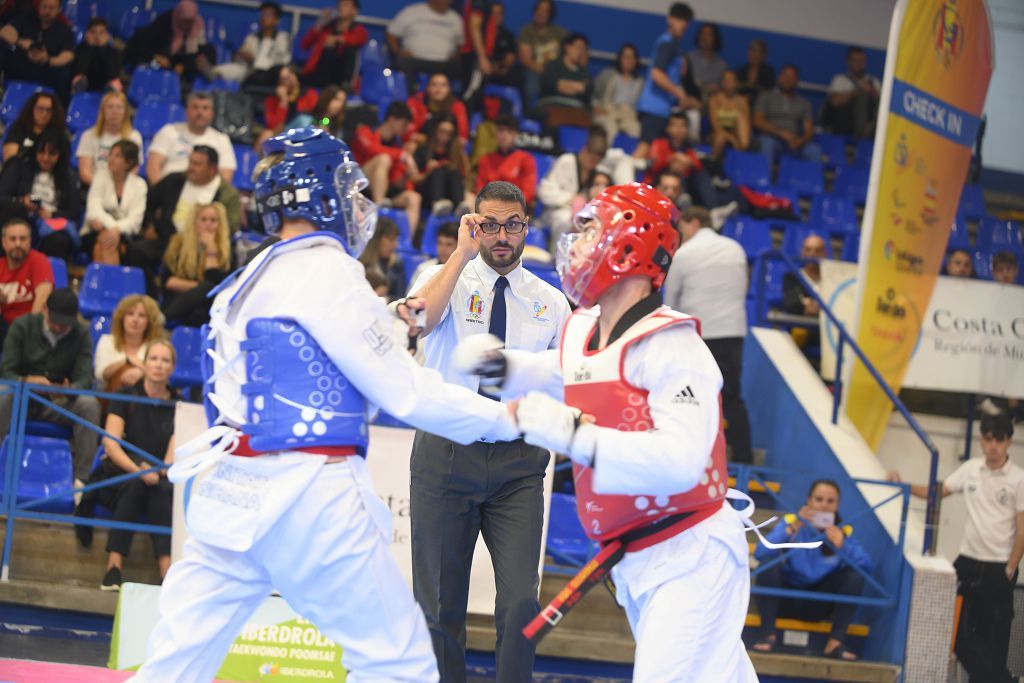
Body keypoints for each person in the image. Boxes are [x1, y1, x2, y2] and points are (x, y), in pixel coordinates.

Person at [124, 125, 521, 683]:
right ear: (321, 193)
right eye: (348, 188)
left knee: (175, 663)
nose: (357, 203)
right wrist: (509, 418)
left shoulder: (251, 276)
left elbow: (319, 342)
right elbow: (407, 391)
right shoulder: (330, 270)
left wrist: (395, 320)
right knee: (398, 662)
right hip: (309, 496)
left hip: (230, 495)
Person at [456, 183, 765, 682]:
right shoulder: (585, 328)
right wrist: (501, 365)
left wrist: (571, 433)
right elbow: (557, 371)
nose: (576, 245)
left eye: (591, 230)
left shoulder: (674, 345)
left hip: (692, 551)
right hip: (636, 555)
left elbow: (682, 459)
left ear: (630, 244)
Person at [403, 180, 570, 683]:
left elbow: (564, 384)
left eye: (512, 224)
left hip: (519, 465)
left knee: (522, 604)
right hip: (444, 457)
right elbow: (416, 322)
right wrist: (460, 254)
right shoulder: (440, 277)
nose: (502, 235)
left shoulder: (553, 303)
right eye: (489, 224)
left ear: (526, 228)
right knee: (437, 606)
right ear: (473, 225)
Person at [889, 412, 1023, 683]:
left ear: (1009, 442)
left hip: (999, 564)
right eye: (987, 440)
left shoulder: (1019, 479)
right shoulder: (971, 468)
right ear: (981, 441)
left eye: (999, 440)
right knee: (955, 632)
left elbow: (1023, 528)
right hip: (968, 560)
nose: (992, 446)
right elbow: (937, 492)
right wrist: (901, 484)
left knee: (993, 636)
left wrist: (1010, 567)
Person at [83, 341, 180, 591]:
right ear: (145, 364)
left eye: (165, 360)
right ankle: (159, 569)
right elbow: (111, 446)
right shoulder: (124, 396)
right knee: (138, 486)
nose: (159, 365)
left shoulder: (179, 405)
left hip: (158, 480)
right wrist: (140, 471)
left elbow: (173, 454)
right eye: (154, 359)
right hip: (118, 477)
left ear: (173, 368)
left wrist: (159, 469)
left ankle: (118, 568)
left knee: (155, 488)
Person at [664, 205, 752, 463]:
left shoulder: (684, 254)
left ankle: (697, 456)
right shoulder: (736, 248)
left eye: (682, 228)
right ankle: (745, 458)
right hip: (733, 331)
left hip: (699, 334)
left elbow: (670, 301)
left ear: (692, 223)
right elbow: (742, 289)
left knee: (693, 396)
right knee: (732, 398)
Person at [752, 479, 874, 660]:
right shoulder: (792, 523)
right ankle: (768, 634)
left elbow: (867, 568)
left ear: (837, 505)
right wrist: (792, 529)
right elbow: (760, 553)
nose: (824, 505)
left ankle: (835, 642)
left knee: (854, 576)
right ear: (809, 500)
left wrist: (842, 546)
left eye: (830, 501)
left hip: (818, 604)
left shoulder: (843, 532)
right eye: (819, 499)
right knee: (768, 564)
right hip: (787, 599)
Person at [0, 288, 100, 483]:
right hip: (21, 399)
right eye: (55, 321)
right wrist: (27, 381)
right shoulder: (23, 325)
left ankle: (81, 482)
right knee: (2, 394)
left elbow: (85, 378)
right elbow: (6, 371)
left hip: (58, 402)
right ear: (44, 309)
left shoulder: (81, 334)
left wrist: (68, 388)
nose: (59, 327)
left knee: (89, 404)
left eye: (65, 323)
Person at [129, 146, 241, 296]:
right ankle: (149, 296)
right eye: (190, 162)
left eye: (197, 164)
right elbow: (149, 203)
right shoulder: (174, 180)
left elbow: (229, 227)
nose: (191, 168)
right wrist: (149, 225)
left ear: (213, 168)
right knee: (136, 251)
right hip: (167, 239)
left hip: (201, 248)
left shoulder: (228, 194)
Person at [0, 129, 81, 262]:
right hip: (22, 218)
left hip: (50, 225)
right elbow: (3, 198)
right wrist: (22, 201)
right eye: (41, 152)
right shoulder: (20, 166)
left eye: (51, 154)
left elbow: (73, 211)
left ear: (60, 155)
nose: (45, 158)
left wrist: (52, 214)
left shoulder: (68, 176)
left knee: (60, 241)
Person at [351, 101, 423, 237]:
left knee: (414, 197)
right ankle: (380, 211)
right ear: (392, 119)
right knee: (384, 159)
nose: (406, 129)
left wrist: (406, 176)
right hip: (361, 186)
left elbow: (395, 181)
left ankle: (405, 245)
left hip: (385, 191)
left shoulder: (398, 145)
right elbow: (371, 149)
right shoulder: (365, 131)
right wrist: (402, 155)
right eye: (404, 124)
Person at [161, 202, 235, 327]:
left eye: (213, 220)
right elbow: (168, 281)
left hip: (210, 304)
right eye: (203, 219)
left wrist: (211, 250)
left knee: (201, 308)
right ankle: (166, 316)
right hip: (177, 299)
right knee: (198, 308)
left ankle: (163, 317)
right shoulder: (178, 243)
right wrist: (200, 288)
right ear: (194, 222)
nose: (208, 224)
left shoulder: (227, 250)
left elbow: (219, 286)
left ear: (220, 224)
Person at [636, 3, 698, 148]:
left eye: (686, 21)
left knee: (656, 152)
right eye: (680, 19)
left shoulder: (675, 46)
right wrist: (678, 92)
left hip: (662, 109)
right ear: (670, 19)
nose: (684, 24)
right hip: (654, 108)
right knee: (645, 148)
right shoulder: (667, 43)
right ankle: (623, 169)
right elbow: (656, 74)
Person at [146, 91, 237, 186]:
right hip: (169, 190)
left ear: (212, 113)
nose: (200, 112)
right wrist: (160, 193)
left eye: (205, 108)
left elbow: (226, 175)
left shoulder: (222, 140)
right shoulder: (169, 131)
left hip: (205, 195)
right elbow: (153, 165)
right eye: (195, 107)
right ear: (186, 110)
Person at [537, 126, 608, 247]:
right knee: (565, 220)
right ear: (584, 150)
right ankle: (558, 262)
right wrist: (571, 198)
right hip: (553, 213)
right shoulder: (567, 161)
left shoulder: (597, 174)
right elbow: (544, 192)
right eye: (591, 159)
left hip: (581, 215)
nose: (593, 164)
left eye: (596, 162)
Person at [83, 139, 148, 265]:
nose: (111, 158)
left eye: (117, 156)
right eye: (111, 154)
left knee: (105, 243)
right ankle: (112, 283)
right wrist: (112, 229)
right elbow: (93, 210)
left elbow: (135, 221)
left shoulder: (140, 185)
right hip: (95, 230)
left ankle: (103, 283)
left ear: (129, 162)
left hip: (125, 235)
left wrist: (116, 231)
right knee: (106, 241)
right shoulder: (100, 177)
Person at [122, 0, 215, 85]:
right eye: (185, 20)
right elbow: (144, 43)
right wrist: (156, 56)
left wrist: (184, 66)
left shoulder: (196, 26)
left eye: (190, 21)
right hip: (154, 59)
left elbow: (197, 53)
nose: (187, 24)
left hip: (178, 68)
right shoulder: (165, 22)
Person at [0, 0, 75, 102]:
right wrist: (21, 42)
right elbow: (4, 32)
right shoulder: (26, 19)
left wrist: (47, 59)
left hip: (47, 72)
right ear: (39, 7)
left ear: (58, 10)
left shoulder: (65, 30)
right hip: (21, 68)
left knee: (64, 72)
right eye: (44, 7)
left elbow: (68, 56)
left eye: (51, 8)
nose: (47, 11)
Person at [644, 112, 719, 208]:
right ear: (668, 128)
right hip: (658, 183)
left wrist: (688, 163)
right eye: (675, 125)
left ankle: (713, 210)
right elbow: (653, 165)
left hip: (681, 184)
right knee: (675, 171)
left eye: (683, 126)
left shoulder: (689, 149)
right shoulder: (659, 143)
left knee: (700, 174)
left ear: (687, 129)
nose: (679, 129)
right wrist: (673, 158)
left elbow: (698, 166)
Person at [387, 0, 464, 92]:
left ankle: (444, 103)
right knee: (402, 63)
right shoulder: (412, 12)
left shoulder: (455, 18)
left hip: (443, 63)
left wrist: (455, 56)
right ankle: (409, 101)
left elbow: (460, 44)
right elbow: (391, 33)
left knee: (458, 67)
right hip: (414, 59)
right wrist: (398, 51)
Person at [93, 294, 165, 392]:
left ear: (149, 322)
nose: (135, 320)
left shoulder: (156, 347)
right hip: (109, 395)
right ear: (122, 318)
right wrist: (127, 362)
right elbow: (100, 374)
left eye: (142, 315)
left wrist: (141, 371)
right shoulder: (107, 341)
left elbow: (162, 376)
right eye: (130, 314)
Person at [753, 64, 821, 166]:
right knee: (766, 144)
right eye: (785, 76)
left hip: (795, 143)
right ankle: (764, 180)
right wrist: (781, 133)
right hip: (772, 139)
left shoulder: (804, 103)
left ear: (797, 81)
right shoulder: (766, 96)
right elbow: (757, 121)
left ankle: (811, 181)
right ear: (779, 78)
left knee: (814, 150)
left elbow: (809, 130)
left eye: (791, 77)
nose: (787, 80)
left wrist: (800, 141)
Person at [0, 218, 54, 344]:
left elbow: (42, 299)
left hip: (31, 330)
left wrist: (28, 333)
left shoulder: (38, 261)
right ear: (4, 242)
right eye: (13, 239)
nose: (18, 244)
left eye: (23, 239)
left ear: (30, 241)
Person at [75, 91, 144, 188]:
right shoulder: (88, 135)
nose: (114, 111)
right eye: (110, 107)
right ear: (102, 111)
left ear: (125, 112)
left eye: (119, 107)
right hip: (95, 187)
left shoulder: (134, 136)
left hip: (123, 188)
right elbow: (85, 172)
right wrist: (102, 188)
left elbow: (134, 169)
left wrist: (118, 188)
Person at [220, 1, 292, 89]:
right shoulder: (251, 37)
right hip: (251, 72)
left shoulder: (283, 38)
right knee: (235, 69)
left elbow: (281, 61)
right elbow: (241, 58)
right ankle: (213, 72)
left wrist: (255, 60)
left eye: (268, 15)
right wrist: (242, 57)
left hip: (272, 75)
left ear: (276, 20)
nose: (263, 17)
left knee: (278, 72)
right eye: (263, 14)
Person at [299, 0, 367, 90]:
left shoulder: (358, 30)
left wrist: (337, 39)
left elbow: (360, 38)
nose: (340, 7)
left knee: (350, 49)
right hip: (318, 71)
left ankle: (344, 86)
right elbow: (304, 45)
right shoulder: (327, 27)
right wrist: (319, 24)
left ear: (355, 10)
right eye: (339, 4)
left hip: (338, 76)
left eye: (345, 5)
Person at [459, 0, 518, 106]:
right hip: (474, 56)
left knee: (476, 96)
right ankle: (463, 121)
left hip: (478, 56)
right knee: (470, 96)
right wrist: (482, 58)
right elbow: (474, 26)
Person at [412, 116, 471, 216]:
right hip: (428, 193)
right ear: (435, 131)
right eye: (442, 132)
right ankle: (438, 202)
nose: (444, 137)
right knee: (438, 170)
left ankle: (459, 205)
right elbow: (413, 180)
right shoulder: (423, 150)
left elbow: (465, 178)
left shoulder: (457, 153)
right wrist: (427, 171)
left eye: (448, 134)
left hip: (451, 194)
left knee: (453, 170)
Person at [475, 115, 537, 209]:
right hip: (490, 209)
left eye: (509, 131)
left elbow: (528, 192)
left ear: (515, 134)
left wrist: (508, 206)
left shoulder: (526, 159)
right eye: (500, 130)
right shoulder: (486, 159)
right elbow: (481, 189)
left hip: (516, 209)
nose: (504, 135)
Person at [517, 0, 567, 109]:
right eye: (539, 9)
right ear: (534, 11)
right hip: (534, 70)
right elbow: (525, 60)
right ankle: (530, 115)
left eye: (546, 11)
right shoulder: (527, 31)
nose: (541, 13)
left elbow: (568, 55)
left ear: (551, 14)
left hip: (556, 72)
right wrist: (545, 70)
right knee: (532, 87)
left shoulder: (560, 33)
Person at [535, 32, 592, 125]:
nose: (581, 52)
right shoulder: (553, 65)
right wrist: (577, 87)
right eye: (578, 47)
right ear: (567, 47)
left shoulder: (584, 72)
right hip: (551, 105)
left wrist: (563, 84)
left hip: (576, 109)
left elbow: (587, 90)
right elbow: (552, 84)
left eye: (583, 49)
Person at [824, 47, 880, 140]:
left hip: (870, 125)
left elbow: (883, 105)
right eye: (855, 61)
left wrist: (872, 91)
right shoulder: (840, 80)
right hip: (845, 123)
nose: (859, 64)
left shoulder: (873, 81)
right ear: (848, 62)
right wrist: (857, 91)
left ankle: (864, 136)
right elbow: (835, 102)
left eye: (861, 61)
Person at [593, 43, 643, 141]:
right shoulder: (607, 75)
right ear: (620, 58)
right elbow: (594, 92)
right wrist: (596, 106)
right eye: (625, 56)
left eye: (631, 57)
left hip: (628, 113)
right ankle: (607, 155)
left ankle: (629, 156)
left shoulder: (640, 82)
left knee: (636, 129)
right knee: (610, 128)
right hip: (608, 110)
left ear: (636, 60)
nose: (628, 60)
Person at [1, 91, 67, 162]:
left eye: (48, 110)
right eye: (40, 109)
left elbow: (62, 162)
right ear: (32, 109)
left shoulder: (58, 134)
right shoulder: (17, 129)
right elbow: (10, 161)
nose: (44, 114)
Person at [406, 73, 470, 145]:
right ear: (427, 88)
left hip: (448, 145)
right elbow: (407, 133)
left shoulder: (457, 106)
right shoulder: (416, 102)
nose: (439, 89)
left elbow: (463, 136)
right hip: (423, 144)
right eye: (434, 85)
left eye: (443, 85)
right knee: (411, 145)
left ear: (449, 89)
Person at [262, 64, 319, 136]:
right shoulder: (272, 101)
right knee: (267, 134)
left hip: (306, 131)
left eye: (290, 73)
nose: (291, 78)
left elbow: (318, 117)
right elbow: (273, 127)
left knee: (304, 120)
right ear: (278, 84)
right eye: (285, 78)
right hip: (284, 133)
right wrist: (283, 101)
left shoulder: (309, 94)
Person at [72, 17, 122, 93]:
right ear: (87, 34)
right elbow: (80, 70)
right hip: (86, 85)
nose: (98, 36)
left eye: (101, 32)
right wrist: (89, 47)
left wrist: (103, 48)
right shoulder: (80, 49)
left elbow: (112, 74)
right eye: (94, 32)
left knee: (114, 83)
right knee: (79, 79)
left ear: (107, 35)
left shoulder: (113, 52)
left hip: (105, 86)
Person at [709, 70, 752, 158]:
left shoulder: (743, 101)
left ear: (737, 83)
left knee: (741, 117)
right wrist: (732, 139)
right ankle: (713, 164)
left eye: (731, 80)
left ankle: (741, 159)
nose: (728, 83)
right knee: (720, 137)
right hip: (717, 133)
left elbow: (746, 126)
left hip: (736, 132)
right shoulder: (714, 100)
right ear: (721, 83)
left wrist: (735, 137)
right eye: (725, 80)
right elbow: (716, 127)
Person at [410, 220, 459, 288]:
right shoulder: (423, 269)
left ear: (459, 246)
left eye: (449, 244)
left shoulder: (468, 273)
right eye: (440, 243)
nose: (443, 249)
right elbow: (410, 298)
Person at [687, 22, 728, 98]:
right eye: (702, 33)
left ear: (715, 38)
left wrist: (717, 88)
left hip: (711, 103)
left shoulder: (721, 65)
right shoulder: (688, 59)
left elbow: (722, 88)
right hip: (689, 99)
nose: (704, 37)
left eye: (708, 34)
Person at [737, 38, 775, 104]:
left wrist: (752, 97)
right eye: (751, 50)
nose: (753, 54)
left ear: (764, 55)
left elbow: (768, 93)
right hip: (741, 104)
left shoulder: (768, 72)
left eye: (756, 51)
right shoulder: (741, 71)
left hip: (761, 105)